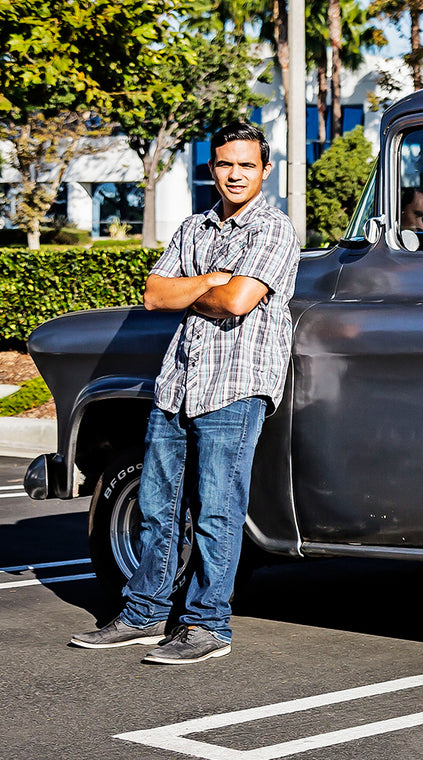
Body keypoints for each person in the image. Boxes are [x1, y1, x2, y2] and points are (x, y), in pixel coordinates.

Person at [69, 121, 299, 664]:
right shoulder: (195, 228)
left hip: (237, 383)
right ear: (212, 168)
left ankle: (208, 625)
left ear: (266, 170)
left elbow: (239, 301)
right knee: (156, 505)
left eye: (247, 164)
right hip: (178, 383)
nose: (235, 174)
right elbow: (154, 294)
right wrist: (208, 281)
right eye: (225, 164)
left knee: (218, 508)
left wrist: (198, 288)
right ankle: (144, 612)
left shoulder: (273, 229)